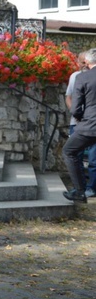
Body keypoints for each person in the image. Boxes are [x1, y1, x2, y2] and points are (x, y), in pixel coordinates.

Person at [63, 48, 96, 203]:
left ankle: (79, 191)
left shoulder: (83, 78)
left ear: (87, 62)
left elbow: (76, 108)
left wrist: (82, 119)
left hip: (89, 125)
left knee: (69, 151)